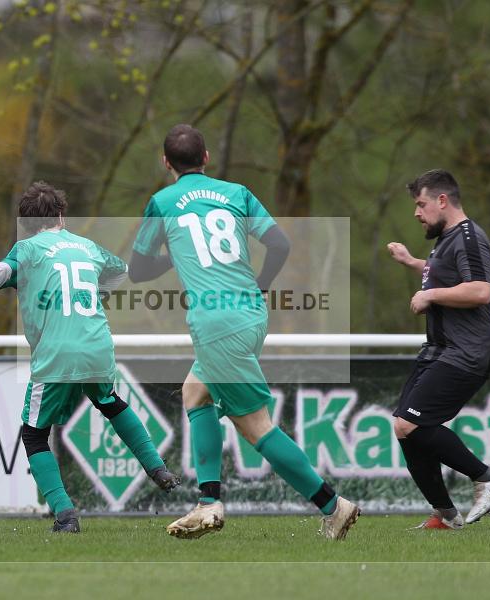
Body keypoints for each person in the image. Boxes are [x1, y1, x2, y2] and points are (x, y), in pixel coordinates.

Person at [128, 124, 361, 540]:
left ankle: (332, 505)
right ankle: (207, 500)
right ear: (207, 158)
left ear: (166, 163)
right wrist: (260, 287)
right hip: (250, 316)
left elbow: (138, 270)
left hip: (216, 325)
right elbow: (281, 245)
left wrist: (173, 257)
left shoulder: (162, 202)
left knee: (255, 427)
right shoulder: (237, 193)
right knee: (195, 392)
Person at [0, 181, 179, 533]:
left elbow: (0, 273)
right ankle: (157, 467)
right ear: (62, 217)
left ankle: (65, 515)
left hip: (57, 353)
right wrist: (90, 298)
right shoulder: (86, 246)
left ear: (25, 224)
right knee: (111, 403)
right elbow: (120, 272)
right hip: (97, 345)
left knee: (35, 435)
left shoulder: (28, 250)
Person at [387, 169, 490, 529]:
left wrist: (430, 295)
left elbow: (479, 290)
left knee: (411, 423)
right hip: (440, 349)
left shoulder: (469, 237)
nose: (416, 212)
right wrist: (413, 263)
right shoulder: (447, 240)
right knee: (402, 426)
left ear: (443, 200)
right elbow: (446, 273)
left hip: (466, 351)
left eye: (421, 204)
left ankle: (487, 477)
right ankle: (447, 515)